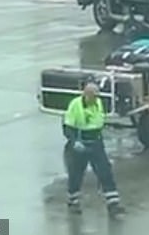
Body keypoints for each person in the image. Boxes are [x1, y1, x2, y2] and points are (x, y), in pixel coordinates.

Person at [63, 82, 125, 217]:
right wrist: (75, 142)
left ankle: (113, 204)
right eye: (93, 96)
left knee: (105, 172)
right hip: (80, 143)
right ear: (86, 95)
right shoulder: (75, 105)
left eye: (97, 96)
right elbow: (68, 127)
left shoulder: (98, 103)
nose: (96, 98)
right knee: (76, 174)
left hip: (96, 142)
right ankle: (73, 201)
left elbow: (98, 122)